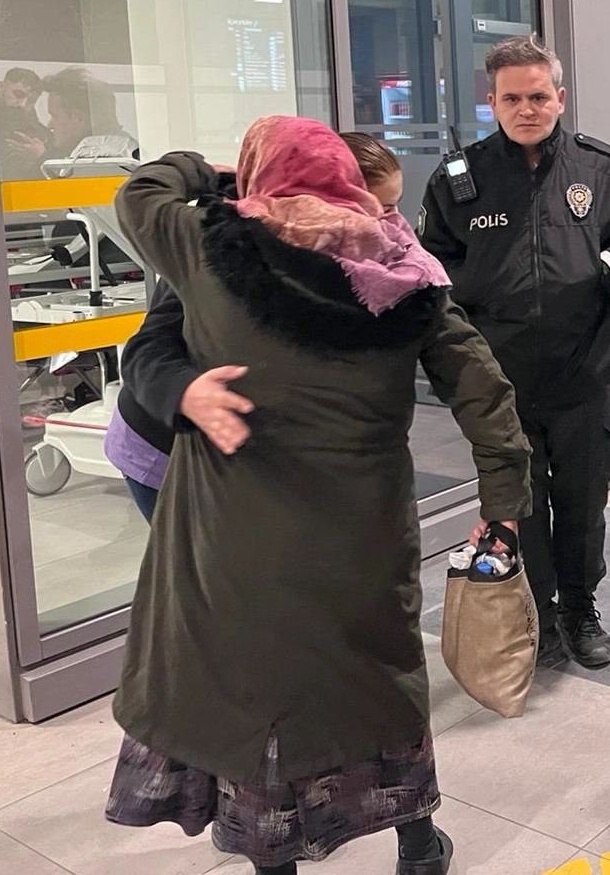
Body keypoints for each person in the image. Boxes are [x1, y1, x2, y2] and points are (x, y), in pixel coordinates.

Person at [103, 117, 532, 875]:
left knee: (251, 687)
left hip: (237, 527)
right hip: (363, 530)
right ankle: (418, 846)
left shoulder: (210, 248)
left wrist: (208, 172)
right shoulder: (407, 272)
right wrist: (503, 502)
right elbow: (483, 389)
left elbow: (141, 193)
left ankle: (274, 861)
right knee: (376, 680)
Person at [418, 35, 610, 669]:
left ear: (559, 96)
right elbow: (431, 272)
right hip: (499, 379)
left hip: (585, 368)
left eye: (537, 97)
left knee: (583, 502)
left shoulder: (604, 171)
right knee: (519, 505)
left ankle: (580, 608)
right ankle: (538, 610)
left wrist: (609, 264)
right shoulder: (458, 180)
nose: (526, 109)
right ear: (492, 102)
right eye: (512, 99)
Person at [105, 134, 405, 520]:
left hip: (261, 461)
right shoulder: (227, 247)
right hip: (165, 446)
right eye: (377, 207)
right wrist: (184, 392)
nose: (388, 222)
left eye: (393, 206)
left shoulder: (370, 257)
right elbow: (146, 349)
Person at [0, 67, 52, 179]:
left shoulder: (42, 133)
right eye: (18, 94)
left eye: (31, 100)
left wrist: (43, 155)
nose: (23, 104)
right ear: (2, 86)